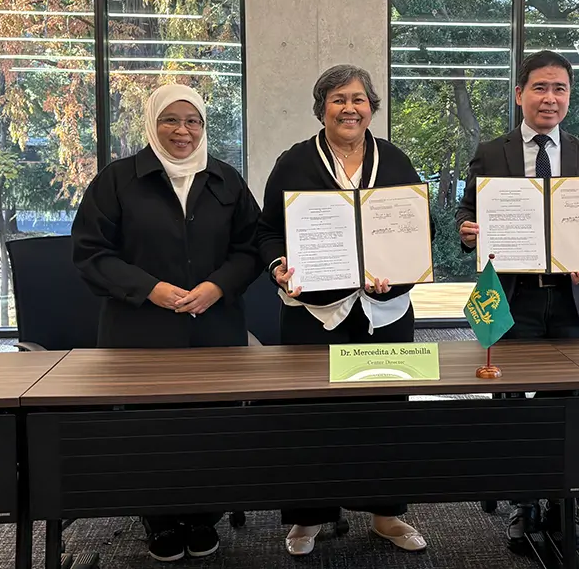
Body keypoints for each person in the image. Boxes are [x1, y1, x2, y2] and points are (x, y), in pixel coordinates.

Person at [71, 84, 262, 562]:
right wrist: (149, 289)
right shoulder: (118, 180)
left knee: (212, 426)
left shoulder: (226, 180)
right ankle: (157, 519)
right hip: (139, 330)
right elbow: (91, 254)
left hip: (214, 327)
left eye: (192, 121)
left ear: (204, 126)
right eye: (170, 120)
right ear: (151, 124)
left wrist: (217, 286)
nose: (182, 131)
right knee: (148, 429)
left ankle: (203, 515)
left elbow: (250, 247)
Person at [256, 64, 428, 557]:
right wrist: (278, 265)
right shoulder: (294, 162)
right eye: (337, 99)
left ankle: (386, 514)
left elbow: (420, 234)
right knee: (312, 415)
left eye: (357, 99)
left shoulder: (395, 161)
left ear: (371, 107)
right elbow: (268, 230)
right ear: (322, 108)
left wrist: (395, 270)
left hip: (385, 310)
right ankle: (309, 517)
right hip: (314, 313)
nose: (348, 108)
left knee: (386, 413)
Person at [455, 50, 579, 551]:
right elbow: (468, 208)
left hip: (569, 300)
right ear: (519, 94)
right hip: (512, 300)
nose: (550, 98)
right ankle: (524, 503)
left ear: (569, 97)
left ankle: (566, 502)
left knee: (567, 405)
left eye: (560, 89)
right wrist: (469, 231)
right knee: (513, 402)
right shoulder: (492, 152)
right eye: (540, 87)